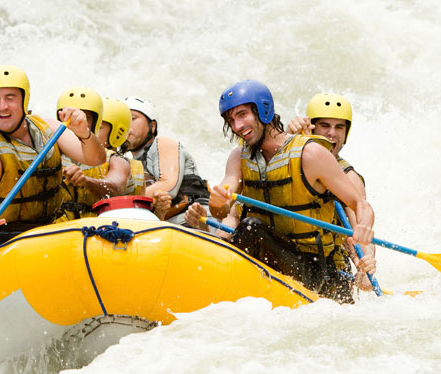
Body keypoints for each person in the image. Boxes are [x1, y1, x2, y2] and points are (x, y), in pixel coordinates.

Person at [193, 80, 375, 303]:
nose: (237, 126)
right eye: (231, 120)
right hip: (276, 257)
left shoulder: (311, 154)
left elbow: (359, 204)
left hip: (320, 272)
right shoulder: (238, 158)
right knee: (244, 227)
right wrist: (217, 202)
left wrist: (365, 228)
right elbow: (221, 212)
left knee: (251, 228)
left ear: (264, 110)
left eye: (242, 115)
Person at [0, 65, 106, 257]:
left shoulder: (49, 129)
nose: (2, 106)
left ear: (24, 101)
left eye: (10, 98)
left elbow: (95, 159)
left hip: (45, 234)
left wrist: (84, 132)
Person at [287, 93, 376, 291]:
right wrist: (288, 132)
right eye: (325, 126)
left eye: (339, 127)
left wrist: (366, 261)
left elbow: (359, 226)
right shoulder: (290, 154)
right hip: (288, 253)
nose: (332, 134)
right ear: (311, 128)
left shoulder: (349, 178)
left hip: (328, 270)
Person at [121, 96, 210, 225]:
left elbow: (168, 186)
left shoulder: (163, 143)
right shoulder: (126, 163)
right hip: (165, 225)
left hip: (194, 220)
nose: (126, 125)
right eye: (122, 121)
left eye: (132, 119)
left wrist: (119, 202)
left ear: (152, 126)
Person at [54, 88, 132, 221]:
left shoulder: (115, 160)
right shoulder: (49, 154)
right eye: (68, 117)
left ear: (95, 123)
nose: (74, 123)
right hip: (55, 231)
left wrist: (86, 181)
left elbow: (115, 187)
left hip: (97, 230)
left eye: (85, 118)